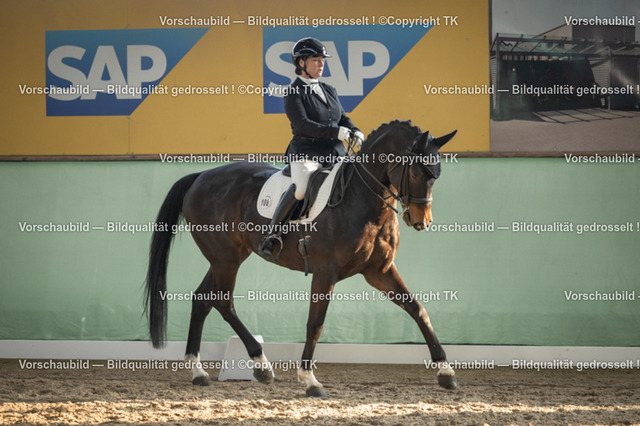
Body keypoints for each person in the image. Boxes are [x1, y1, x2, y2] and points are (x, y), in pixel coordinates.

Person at [258, 37, 364, 261]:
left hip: (335, 153)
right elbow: (303, 125)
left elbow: (342, 117)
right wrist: (336, 132)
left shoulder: (329, 89)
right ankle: (272, 235)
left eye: (322, 60)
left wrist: (355, 131)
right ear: (301, 63)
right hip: (307, 153)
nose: (321, 64)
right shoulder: (293, 93)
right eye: (316, 60)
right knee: (301, 189)